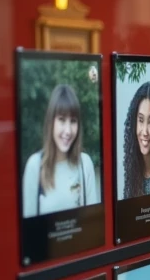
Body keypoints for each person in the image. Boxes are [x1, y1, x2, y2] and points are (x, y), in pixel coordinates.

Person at [22, 84, 100, 217]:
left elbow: (93, 223)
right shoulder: (35, 166)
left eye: (73, 121)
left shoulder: (84, 164)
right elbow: (30, 231)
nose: (68, 131)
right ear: (51, 122)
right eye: (62, 120)